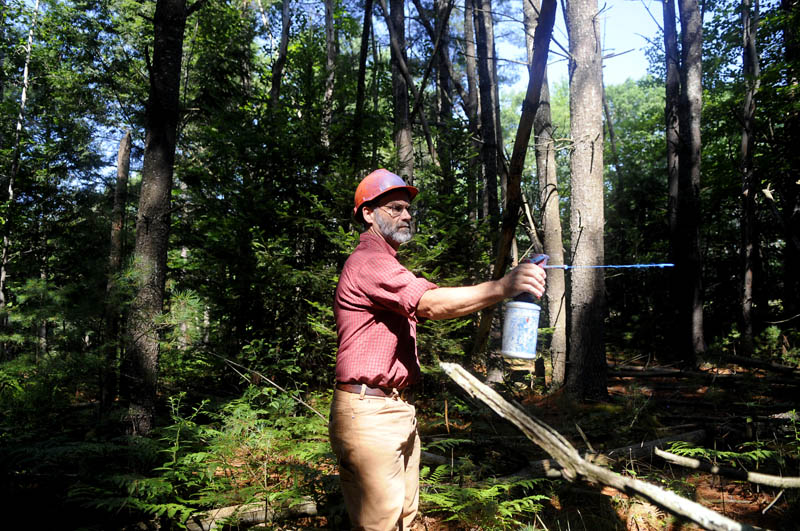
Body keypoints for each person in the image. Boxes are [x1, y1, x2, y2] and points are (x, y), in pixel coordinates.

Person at [329, 169, 547, 530]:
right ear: (368, 213)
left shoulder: (387, 264)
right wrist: (504, 286)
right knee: (378, 524)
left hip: (392, 408)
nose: (407, 215)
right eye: (395, 208)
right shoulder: (369, 262)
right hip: (368, 413)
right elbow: (430, 304)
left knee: (403, 516)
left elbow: (431, 302)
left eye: (408, 208)